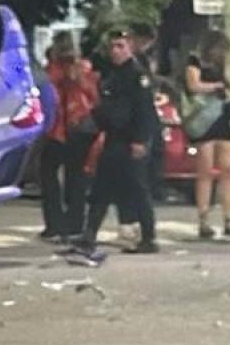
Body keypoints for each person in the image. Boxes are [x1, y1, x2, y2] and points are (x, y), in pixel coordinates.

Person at [73, 29, 160, 256]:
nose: (116, 51)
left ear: (130, 47)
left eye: (121, 46)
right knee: (101, 189)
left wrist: (140, 140)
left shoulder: (137, 75)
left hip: (130, 140)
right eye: (113, 46)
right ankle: (88, 236)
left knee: (139, 190)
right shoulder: (113, 74)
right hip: (113, 139)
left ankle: (149, 238)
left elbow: (145, 111)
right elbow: (108, 107)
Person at [185, 30, 230, 239]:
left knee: (227, 169)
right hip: (204, 117)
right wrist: (215, 86)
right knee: (205, 170)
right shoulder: (195, 61)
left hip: (220, 117)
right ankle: (203, 218)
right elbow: (193, 85)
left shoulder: (220, 66)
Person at [38, 37, 100, 242]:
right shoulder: (58, 71)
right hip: (64, 129)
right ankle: (62, 224)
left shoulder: (79, 71)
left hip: (71, 128)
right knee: (60, 176)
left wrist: (77, 76)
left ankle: (66, 224)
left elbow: (93, 96)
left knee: (69, 177)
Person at [130, 22, 167, 203]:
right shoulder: (132, 60)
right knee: (145, 150)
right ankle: (146, 188)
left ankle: (154, 187)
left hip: (149, 106)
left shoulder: (143, 59)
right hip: (138, 109)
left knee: (157, 149)